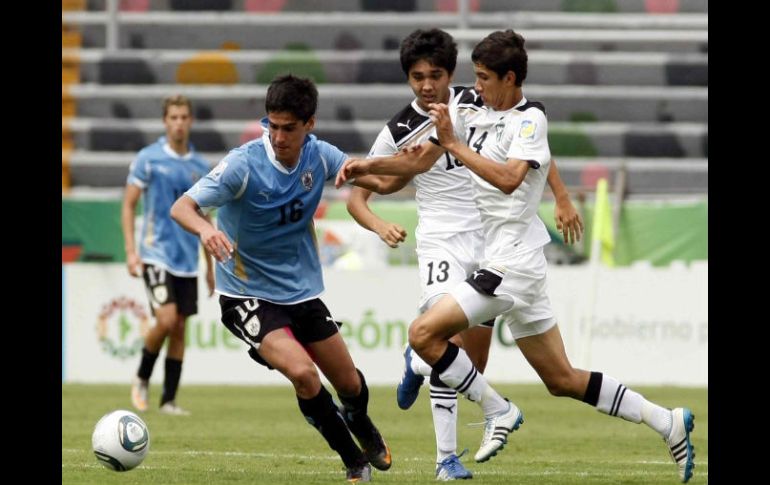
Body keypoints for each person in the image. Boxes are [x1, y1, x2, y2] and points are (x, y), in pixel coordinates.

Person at [337, 30, 696, 483]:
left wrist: (456, 146)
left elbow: (509, 179)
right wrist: (364, 166)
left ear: (510, 78)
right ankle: (667, 421)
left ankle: (497, 410)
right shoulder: (473, 111)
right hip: (510, 261)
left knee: (424, 334)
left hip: (512, 265)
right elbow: (416, 164)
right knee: (562, 379)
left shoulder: (531, 119)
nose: (476, 86)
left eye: (484, 78)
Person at [345, 28, 583, 481]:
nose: (427, 85)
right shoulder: (398, 128)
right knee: (443, 343)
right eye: (417, 77)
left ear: (449, 74)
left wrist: (562, 196)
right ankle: (446, 460)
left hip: (490, 241)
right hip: (440, 241)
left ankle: (416, 360)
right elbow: (364, 196)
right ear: (408, 79)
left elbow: (531, 153)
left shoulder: (474, 102)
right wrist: (379, 222)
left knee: (465, 365)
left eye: (435, 75)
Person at [170, 74, 393, 483]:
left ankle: (359, 420)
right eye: (271, 125)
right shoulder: (243, 163)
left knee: (348, 381)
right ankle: (353, 461)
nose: (277, 136)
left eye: (288, 127)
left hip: (300, 291)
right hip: (245, 293)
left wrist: (409, 164)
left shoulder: (320, 156)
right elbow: (183, 206)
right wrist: (205, 229)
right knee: (304, 374)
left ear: (309, 124)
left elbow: (378, 180)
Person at [122, 94, 215, 416]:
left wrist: (209, 264)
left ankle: (168, 400)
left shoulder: (200, 166)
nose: (178, 123)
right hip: (155, 253)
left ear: (190, 121)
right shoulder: (148, 159)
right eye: (173, 117)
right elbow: (129, 203)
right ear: (165, 121)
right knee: (165, 318)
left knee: (179, 328)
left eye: (183, 117)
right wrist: (132, 251)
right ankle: (142, 377)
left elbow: (204, 217)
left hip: (188, 258)